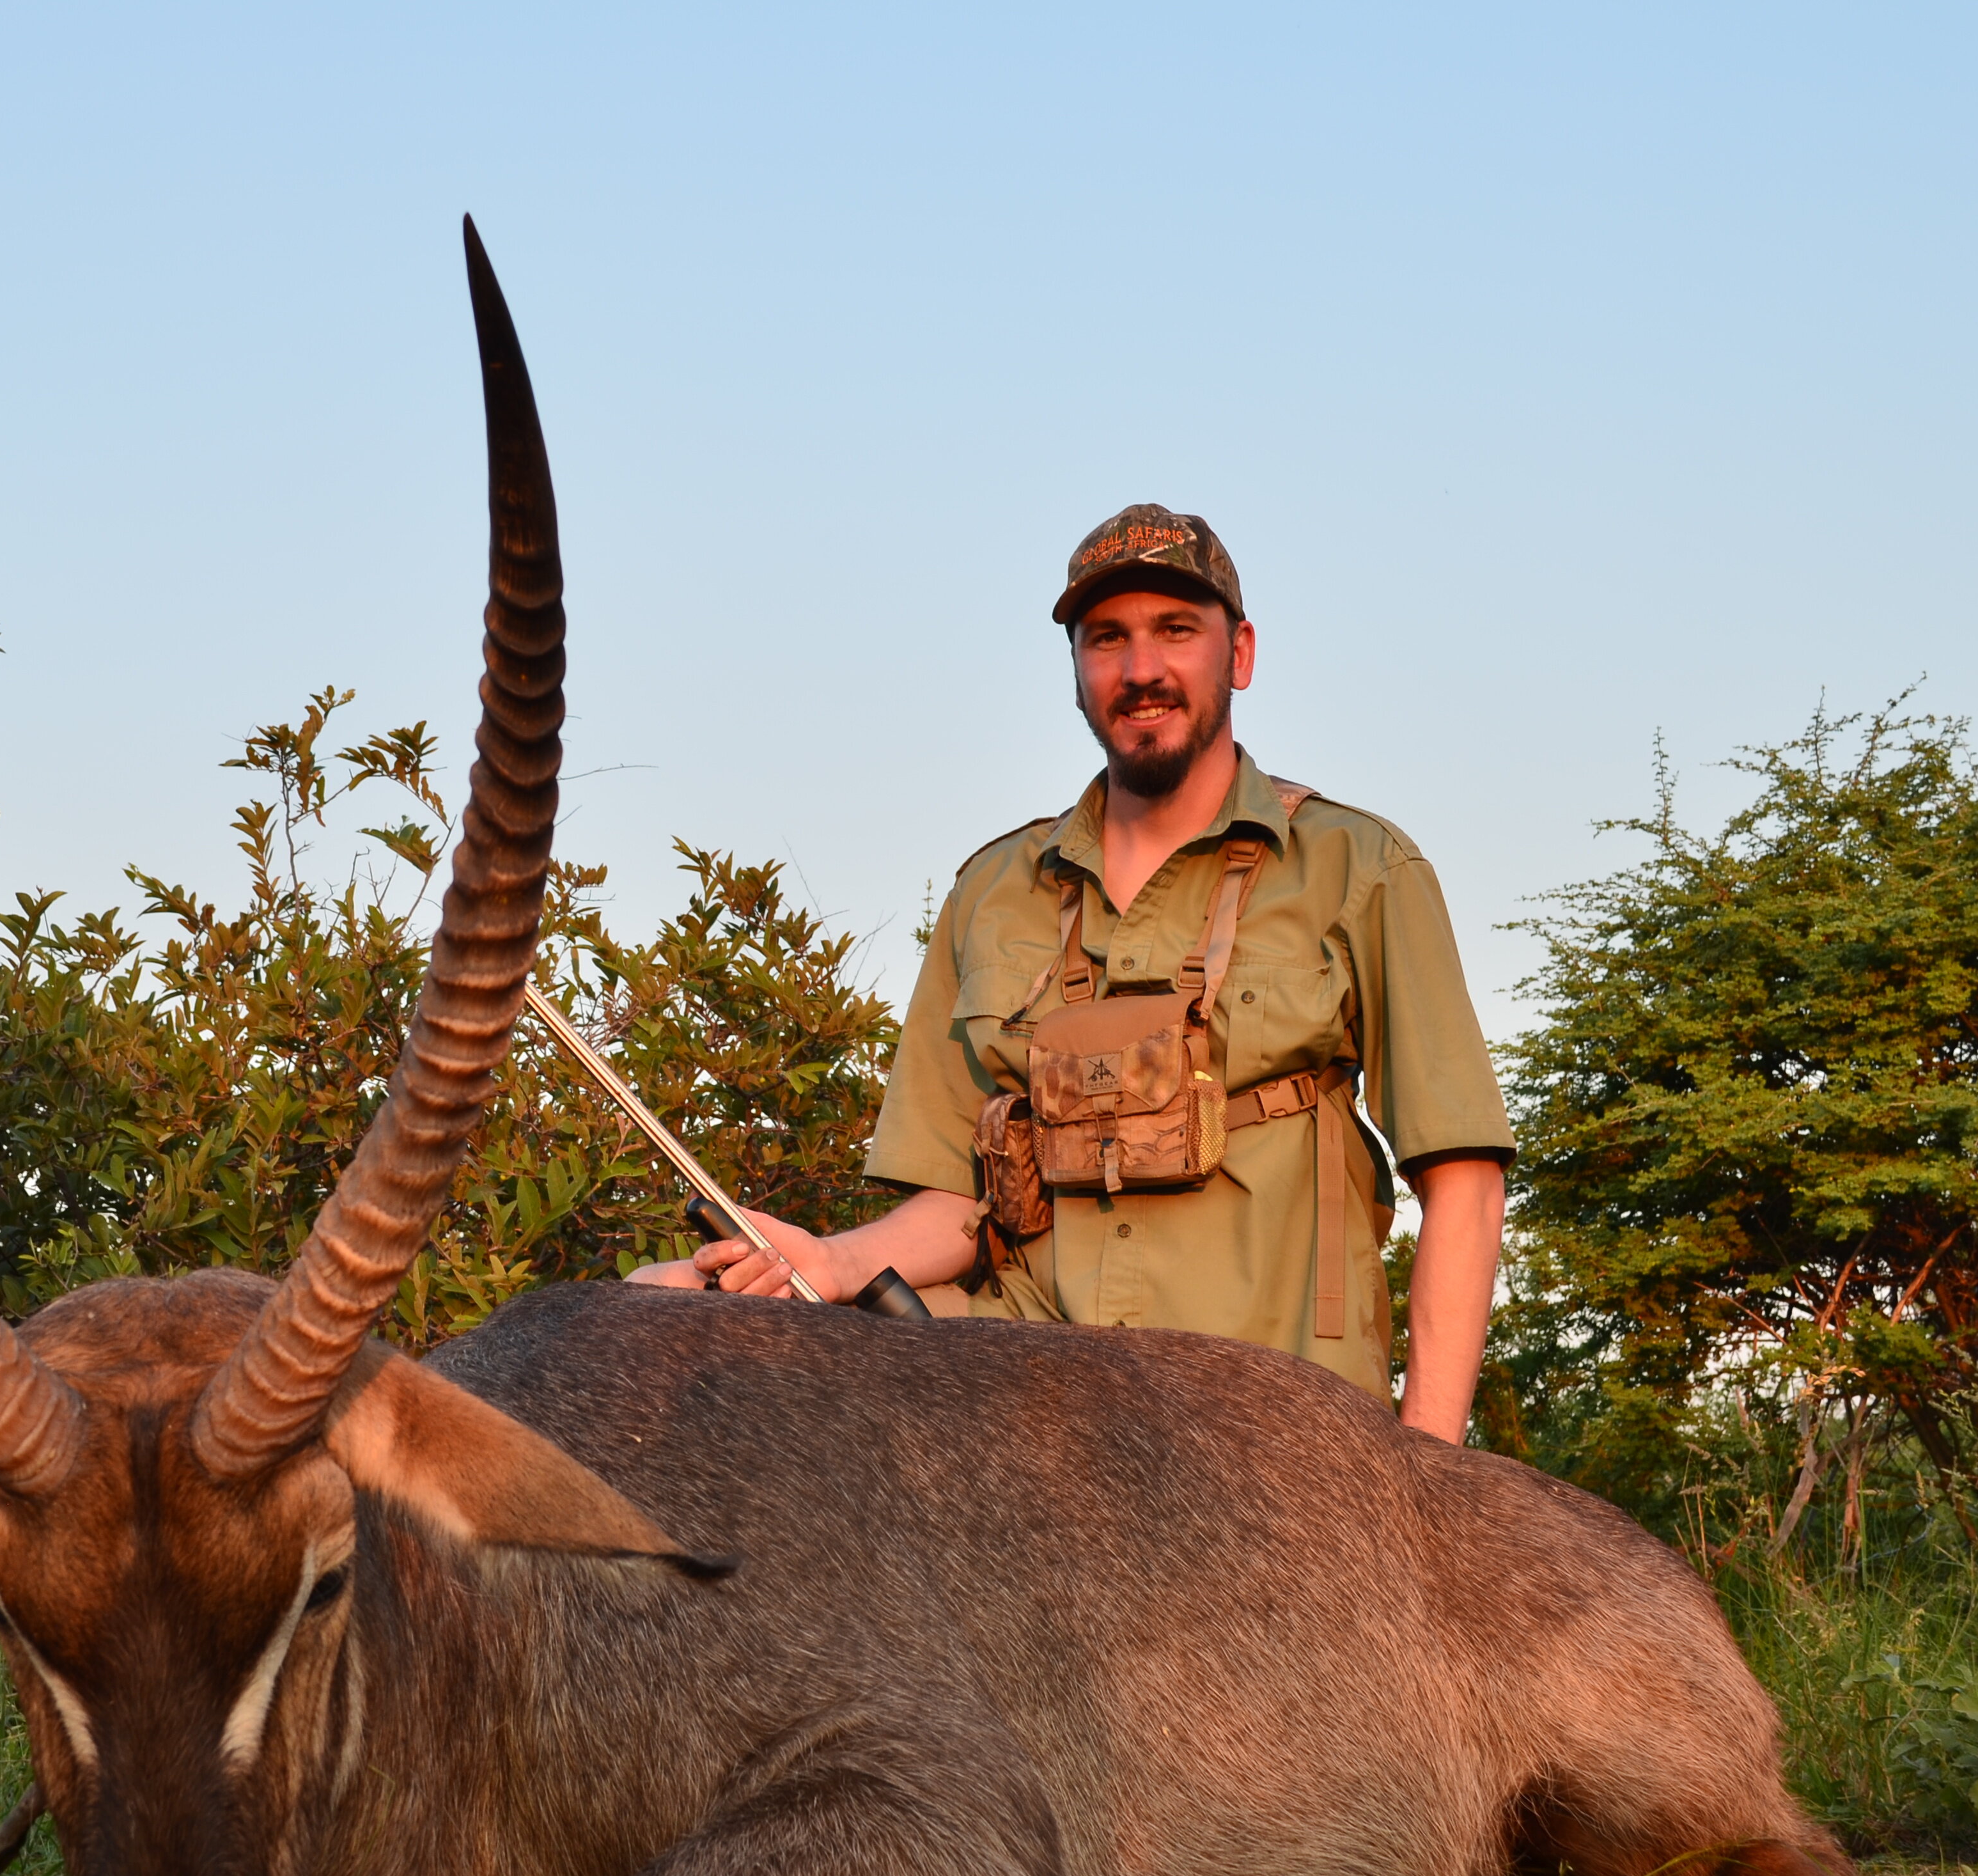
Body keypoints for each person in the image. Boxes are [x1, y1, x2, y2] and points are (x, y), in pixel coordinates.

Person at [629, 504, 1511, 1441]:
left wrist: (1425, 1475)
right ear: (1079, 674)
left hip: (1273, 1422)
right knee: (660, 1305)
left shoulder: (1358, 866)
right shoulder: (993, 891)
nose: (1141, 670)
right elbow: (951, 1202)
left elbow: (1463, 1178)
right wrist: (831, 1265)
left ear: (1240, 654)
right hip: (1027, 1412)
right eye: (1107, 640)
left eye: (1177, 631)